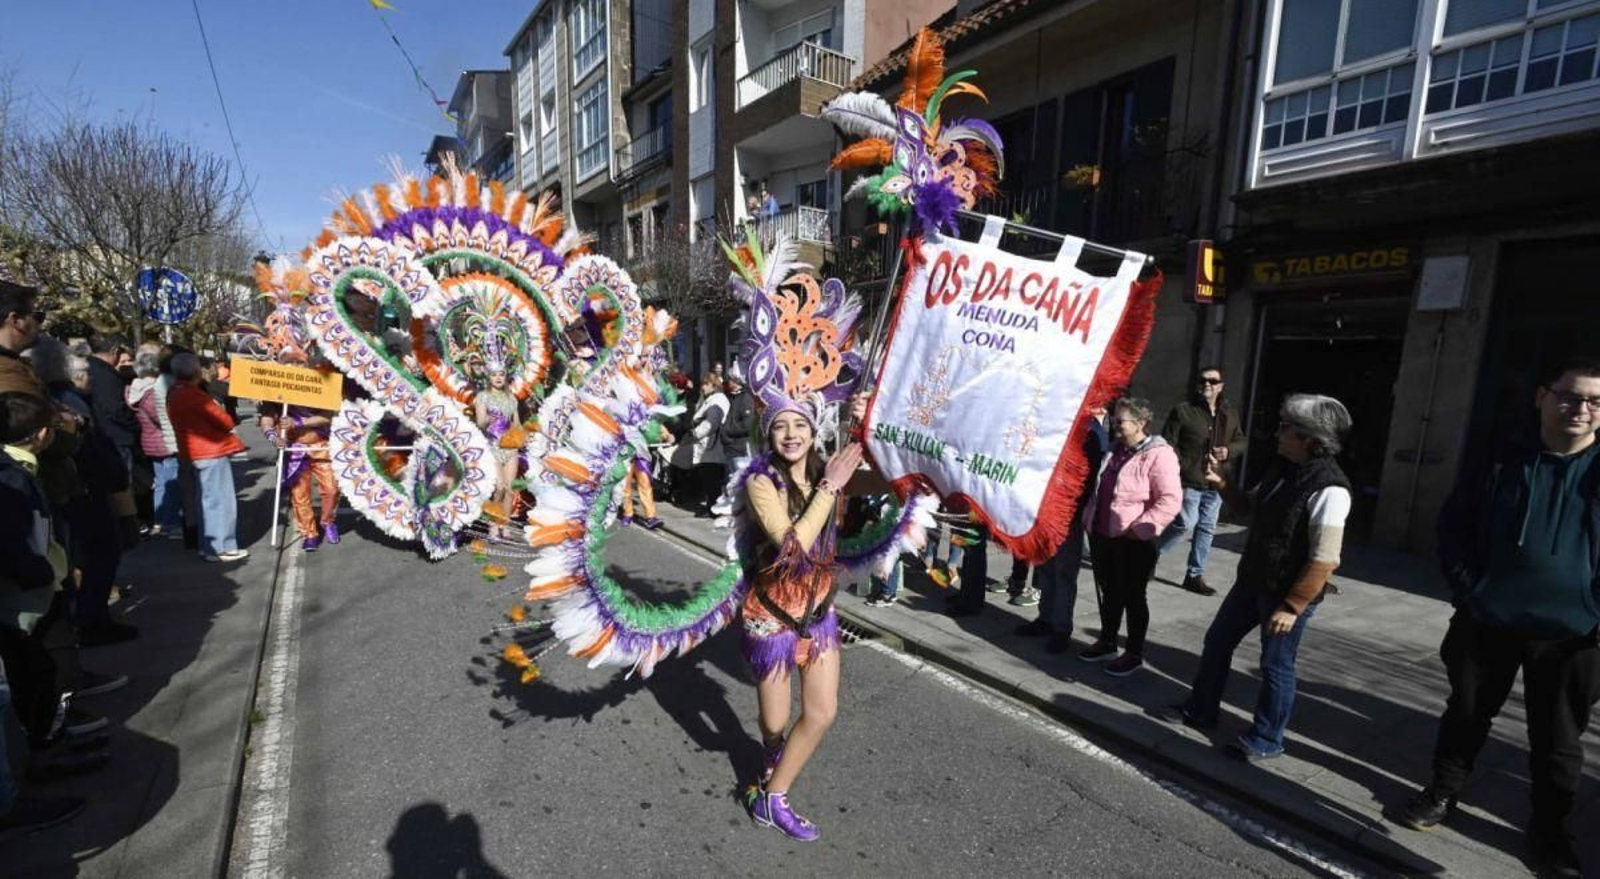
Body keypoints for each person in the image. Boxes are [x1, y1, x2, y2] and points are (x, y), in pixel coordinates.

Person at [1393, 356, 1600, 878]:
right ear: (1542, 397)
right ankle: (1442, 794)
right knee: (1465, 714)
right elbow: (1453, 526)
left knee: (1556, 741)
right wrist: (1471, 591)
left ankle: (1550, 832)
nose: (1582, 408)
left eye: (1595, 401)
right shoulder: (1501, 459)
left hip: (1575, 637)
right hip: (1488, 620)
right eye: (1571, 396)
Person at [1157, 394, 1353, 762]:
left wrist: (1293, 606)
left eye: (1285, 428)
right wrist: (1222, 483)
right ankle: (1200, 710)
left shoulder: (1330, 488)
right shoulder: (1283, 467)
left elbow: (1325, 559)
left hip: (1286, 593)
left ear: (1309, 439)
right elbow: (1248, 506)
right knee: (1217, 641)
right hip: (1253, 579)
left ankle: (1267, 737)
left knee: (1276, 666)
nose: (1276, 433)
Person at [741, 398, 873, 841]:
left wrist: (867, 421)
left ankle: (772, 799)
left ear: (815, 432)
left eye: (801, 424)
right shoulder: (762, 481)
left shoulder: (826, 471)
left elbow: (890, 480)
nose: (792, 434)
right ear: (768, 435)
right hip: (773, 619)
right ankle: (773, 754)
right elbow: (791, 546)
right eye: (781, 426)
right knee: (775, 724)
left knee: (821, 713)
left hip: (818, 614)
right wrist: (830, 488)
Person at [0, 391, 87, 837]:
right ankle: (43, 752)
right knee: (44, 673)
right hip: (27, 596)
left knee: (46, 672)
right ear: (41, 435)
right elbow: (16, 541)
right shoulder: (11, 478)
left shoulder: (19, 471)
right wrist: (38, 572)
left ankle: (53, 743)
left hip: (41, 583)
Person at [1079, 397, 1182, 677]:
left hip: (1134, 539)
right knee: (1110, 592)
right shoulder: (1114, 450)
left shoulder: (1159, 454)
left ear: (1141, 423)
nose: (1114, 426)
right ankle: (1107, 641)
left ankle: (1133, 653)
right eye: (1113, 420)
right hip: (1103, 535)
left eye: (1120, 421)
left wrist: (1140, 529)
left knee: (1134, 597)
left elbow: (1170, 500)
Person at [1015, 409, 1111, 653]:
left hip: (1069, 511)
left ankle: (1061, 628)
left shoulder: (1091, 433)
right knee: (1045, 566)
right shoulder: (1056, 425)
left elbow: (1090, 476)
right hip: (1045, 508)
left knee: (1064, 573)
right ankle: (1045, 619)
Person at [1157, 366, 1247, 596]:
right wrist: (1184, 466)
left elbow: (1241, 441)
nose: (1207, 384)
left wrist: (1228, 451)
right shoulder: (1184, 411)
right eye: (1202, 381)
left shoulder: (1230, 412)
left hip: (1216, 480)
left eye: (1213, 381)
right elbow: (1168, 443)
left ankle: (1194, 575)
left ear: (1221, 385)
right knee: (1185, 523)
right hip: (1189, 478)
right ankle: (1150, 553)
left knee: (1207, 528)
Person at [167, 353, 248, 562]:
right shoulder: (195, 396)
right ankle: (222, 547)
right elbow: (226, 421)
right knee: (221, 501)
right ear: (196, 371)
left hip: (192, 451)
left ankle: (209, 545)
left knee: (206, 501)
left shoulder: (174, 393)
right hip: (211, 450)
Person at [260, 402, 340, 551]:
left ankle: (328, 521)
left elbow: (327, 415)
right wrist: (274, 439)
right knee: (300, 495)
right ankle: (310, 534)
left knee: (332, 489)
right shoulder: (274, 395)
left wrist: (298, 422)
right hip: (294, 450)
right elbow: (266, 422)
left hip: (321, 446)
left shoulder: (319, 386)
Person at [127, 352, 180, 537]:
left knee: (161, 483)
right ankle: (170, 522)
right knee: (170, 482)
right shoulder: (150, 392)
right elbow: (161, 416)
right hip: (164, 440)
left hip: (150, 441)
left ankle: (160, 520)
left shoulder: (135, 389)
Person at [86, 336, 139, 478]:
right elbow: (116, 409)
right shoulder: (105, 374)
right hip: (115, 439)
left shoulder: (90, 368)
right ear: (114, 351)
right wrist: (136, 424)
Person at [676, 373, 727, 518]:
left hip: (711, 446)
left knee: (712, 480)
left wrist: (695, 433)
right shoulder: (710, 399)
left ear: (712, 385)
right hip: (706, 446)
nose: (702, 387)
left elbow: (711, 423)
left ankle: (713, 509)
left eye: (705, 384)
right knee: (708, 478)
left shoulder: (717, 401)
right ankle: (711, 507)